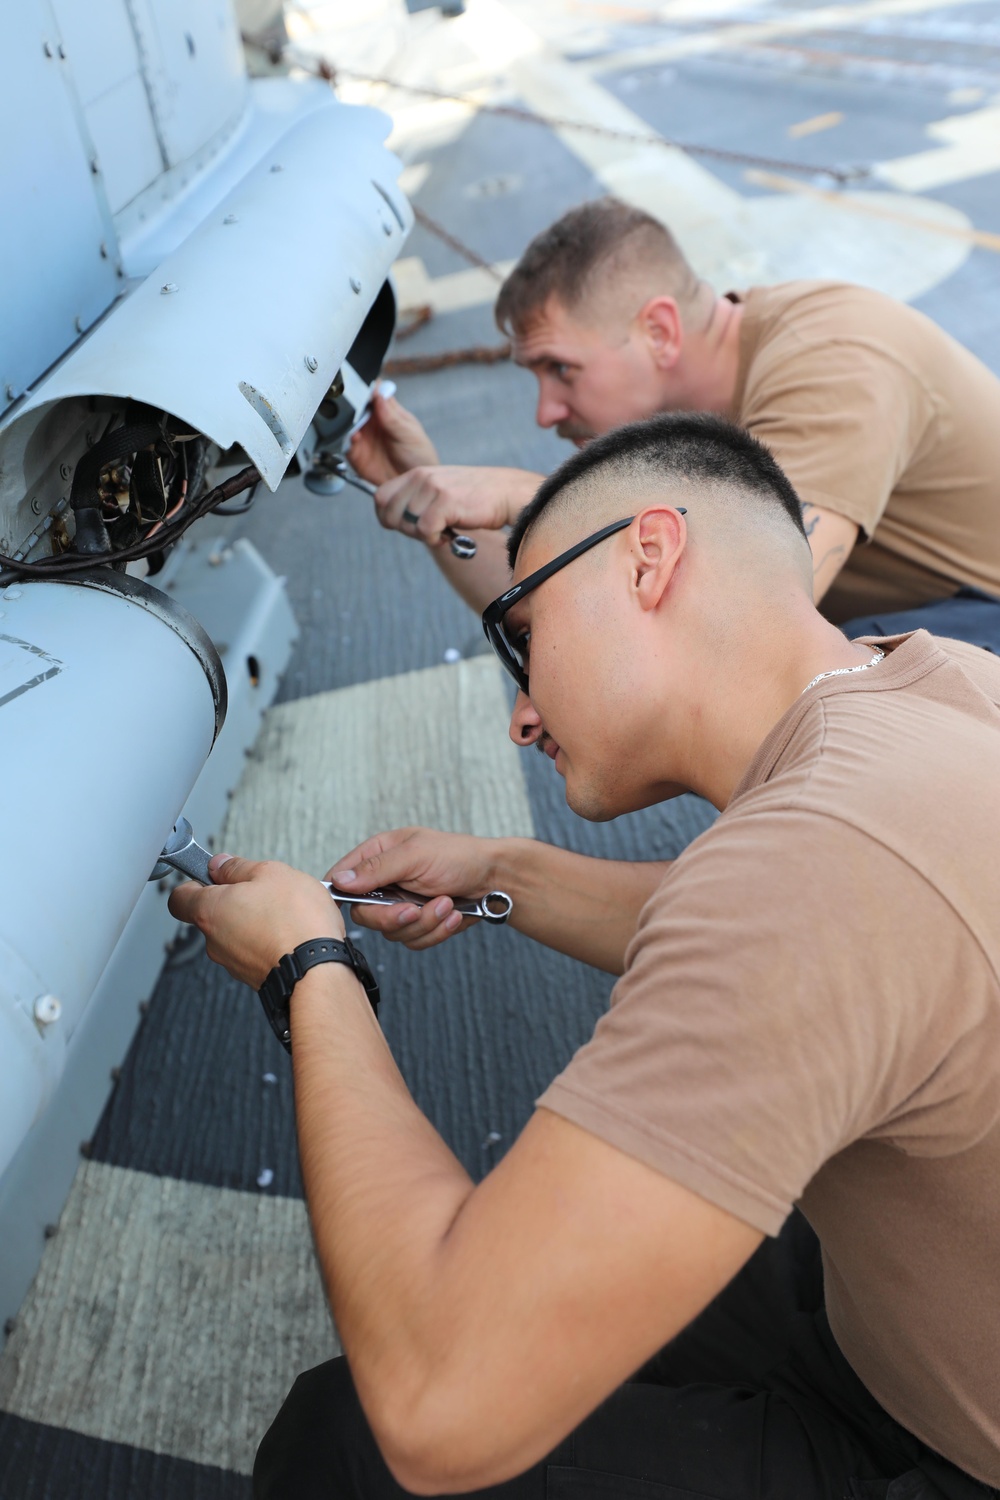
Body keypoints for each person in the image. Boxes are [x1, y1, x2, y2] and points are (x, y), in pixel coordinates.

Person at [172, 414, 1000, 1500]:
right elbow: (805, 937)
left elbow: (440, 1401)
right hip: (907, 1313)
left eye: (522, 632)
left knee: (354, 1447)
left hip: (958, 1447)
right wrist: (503, 871)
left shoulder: (809, 870)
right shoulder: (935, 686)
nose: (521, 715)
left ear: (647, 559)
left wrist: (306, 971)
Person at [352, 198, 1000, 648]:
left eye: (561, 369)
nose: (544, 410)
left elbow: (750, 616)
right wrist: (435, 499)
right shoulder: (683, 423)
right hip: (951, 619)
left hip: (984, 621)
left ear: (658, 332)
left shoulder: (832, 364)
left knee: (810, 680)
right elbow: (557, 613)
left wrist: (534, 498)